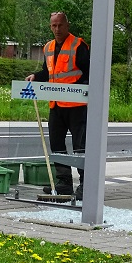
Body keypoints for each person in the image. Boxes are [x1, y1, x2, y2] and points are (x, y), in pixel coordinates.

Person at [26, 11, 90, 200]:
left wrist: (78, 91)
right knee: (57, 144)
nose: (57, 29)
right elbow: (49, 72)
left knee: (80, 147)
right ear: (50, 27)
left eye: (60, 25)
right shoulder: (48, 47)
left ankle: (86, 184)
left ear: (67, 25)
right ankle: (64, 183)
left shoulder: (78, 45)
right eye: (53, 25)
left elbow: (88, 73)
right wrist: (36, 77)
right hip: (56, 105)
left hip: (76, 106)